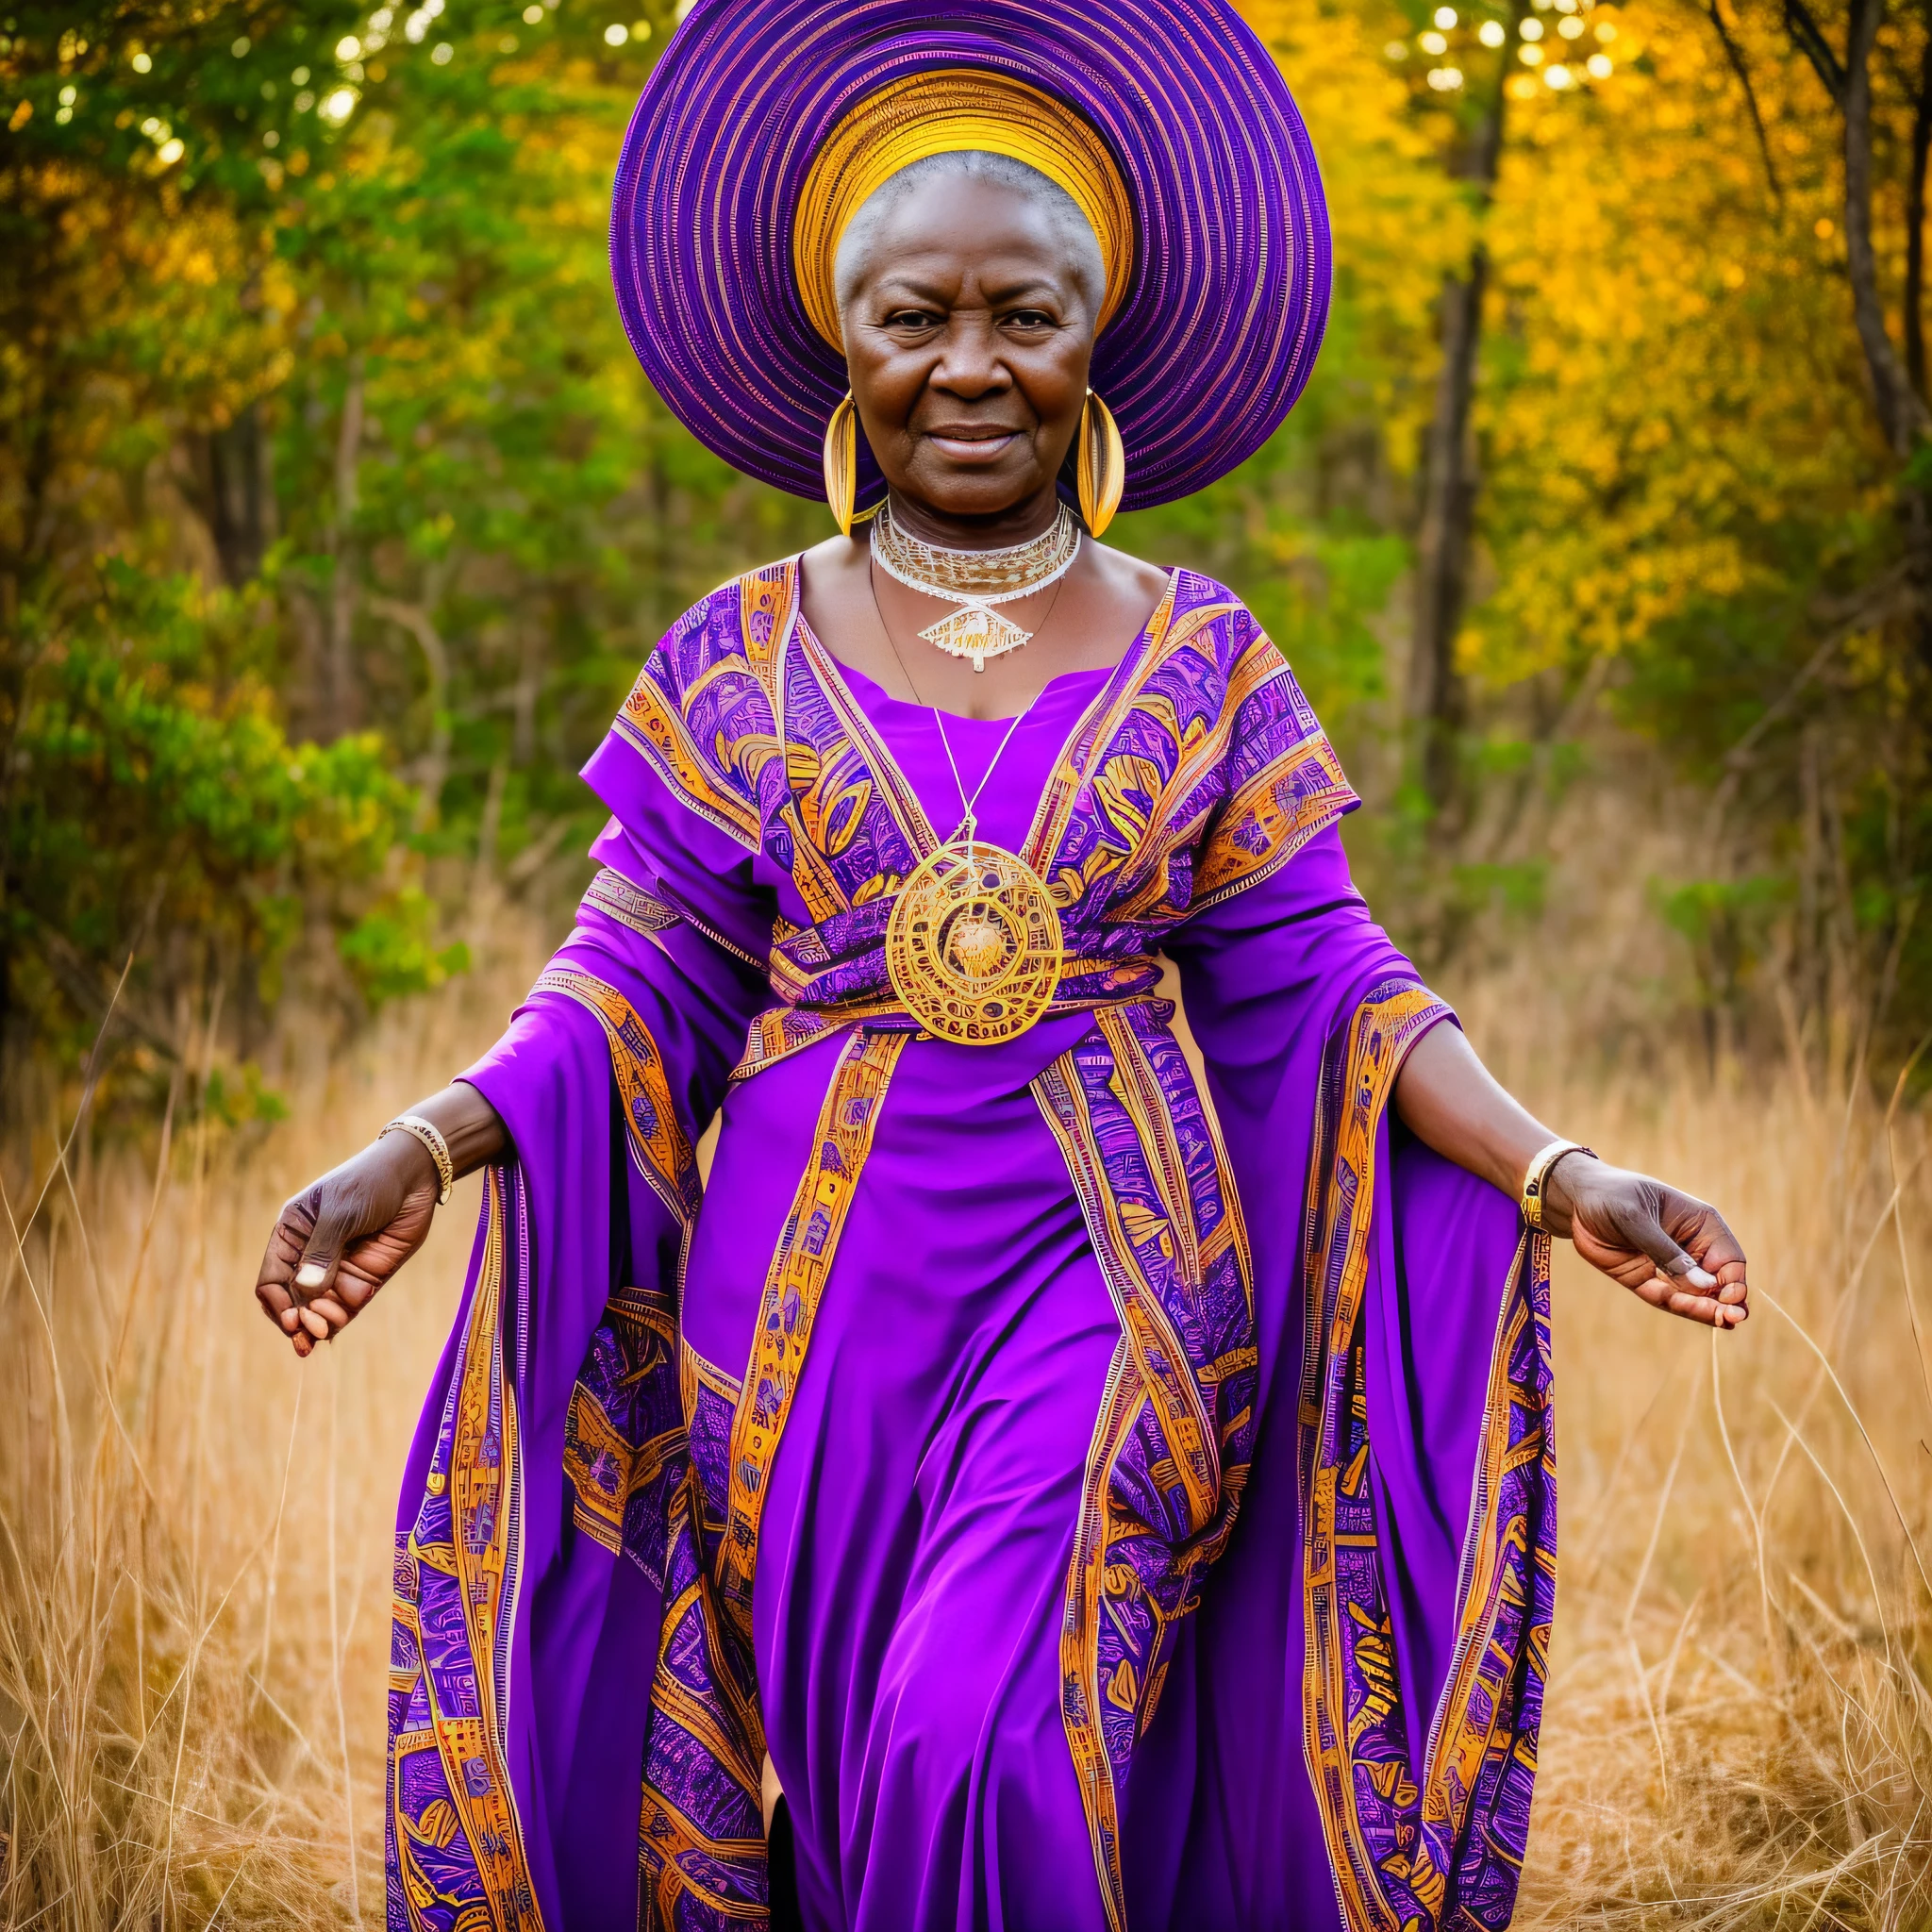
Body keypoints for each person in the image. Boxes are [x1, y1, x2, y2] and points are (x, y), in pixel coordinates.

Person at [252, 4, 1750, 1927]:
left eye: (1024, 317)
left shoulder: (1205, 655)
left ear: (1090, 339)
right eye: (913, 317)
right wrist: (425, 1142)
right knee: (881, 1778)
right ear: (845, 342)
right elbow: (626, 983)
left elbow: (1335, 979)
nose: (970, 366)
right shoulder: (737, 656)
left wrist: (1559, 1171)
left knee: (985, 1738)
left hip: (1118, 1288)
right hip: (799, 1348)